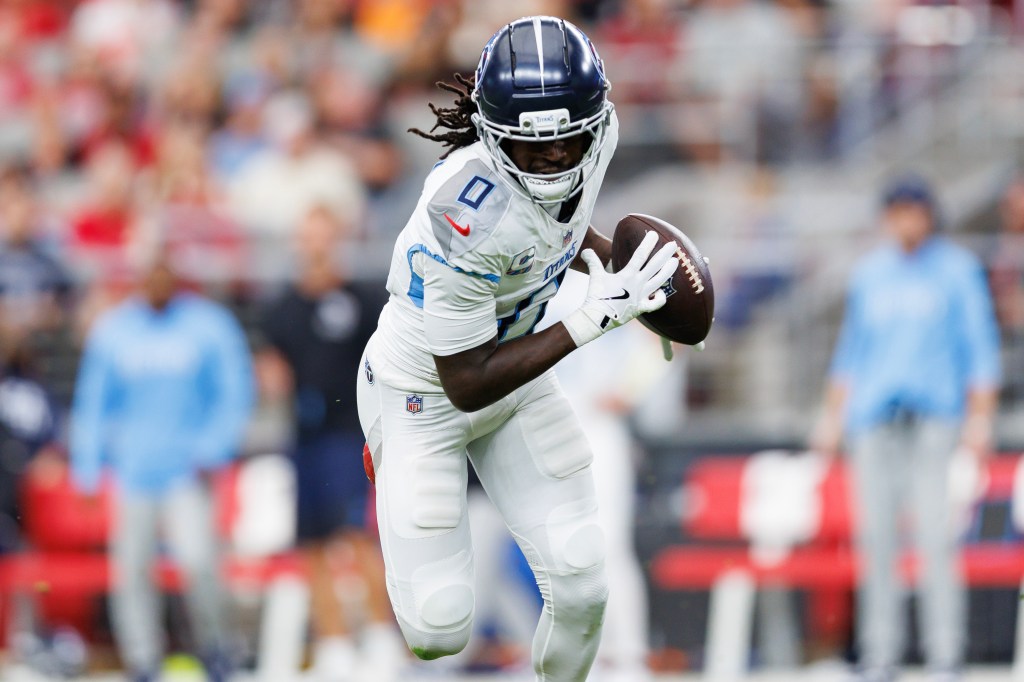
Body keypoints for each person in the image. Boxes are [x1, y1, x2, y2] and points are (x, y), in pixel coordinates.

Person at [355, 16, 680, 682]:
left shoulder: (600, 133)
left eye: (567, 143)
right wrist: (595, 317)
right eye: (533, 152)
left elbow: (553, 230)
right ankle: (384, 449)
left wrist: (609, 265)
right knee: (438, 630)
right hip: (426, 392)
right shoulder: (464, 218)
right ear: (494, 136)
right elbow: (466, 382)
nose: (555, 162)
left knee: (586, 579)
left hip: (511, 367)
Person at [811, 174, 1001, 682]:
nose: (906, 220)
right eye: (897, 210)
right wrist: (831, 418)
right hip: (874, 422)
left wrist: (980, 419)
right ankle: (881, 652)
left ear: (929, 214)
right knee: (876, 542)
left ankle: (945, 654)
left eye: (914, 210)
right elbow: (851, 352)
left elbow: (979, 348)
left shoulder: (957, 270)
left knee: (937, 539)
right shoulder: (872, 273)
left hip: (933, 422)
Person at [69, 247, 254, 682]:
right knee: (131, 569)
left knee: (198, 563)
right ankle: (143, 660)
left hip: (187, 472)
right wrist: (88, 468)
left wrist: (212, 447)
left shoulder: (208, 325)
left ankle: (215, 647)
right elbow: (93, 403)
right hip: (132, 471)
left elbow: (233, 391)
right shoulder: (114, 330)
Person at [258, 205, 404, 681]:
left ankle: (383, 639)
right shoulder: (282, 309)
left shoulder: (361, 301)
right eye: (308, 236)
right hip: (304, 437)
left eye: (323, 236)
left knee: (357, 538)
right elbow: (272, 368)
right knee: (312, 544)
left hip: (351, 436)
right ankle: (335, 643)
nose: (315, 246)